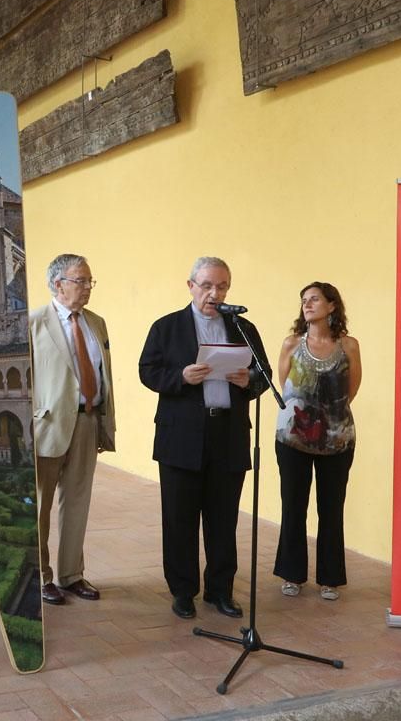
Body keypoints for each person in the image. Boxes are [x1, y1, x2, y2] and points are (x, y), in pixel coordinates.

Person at [138, 257, 270, 620]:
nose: (215, 293)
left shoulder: (242, 328)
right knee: (179, 519)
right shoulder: (167, 328)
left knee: (223, 519)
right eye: (208, 285)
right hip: (180, 437)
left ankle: (220, 591)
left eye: (223, 286)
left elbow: (264, 374)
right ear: (191, 285)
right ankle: (183, 591)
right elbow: (147, 371)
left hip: (227, 435)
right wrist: (181, 376)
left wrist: (249, 383)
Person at [29, 254, 116, 605]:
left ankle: (71, 575)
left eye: (90, 281)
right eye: (80, 281)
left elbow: (103, 373)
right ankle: (39, 576)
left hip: (87, 420)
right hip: (47, 426)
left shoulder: (97, 323)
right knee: (39, 505)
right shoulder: (33, 322)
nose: (87, 288)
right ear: (57, 283)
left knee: (77, 502)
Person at [274, 282, 361, 601]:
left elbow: (350, 390)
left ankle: (330, 578)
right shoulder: (291, 344)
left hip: (337, 439)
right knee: (293, 506)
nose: (307, 305)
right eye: (304, 301)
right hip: (292, 438)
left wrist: (328, 417)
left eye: (314, 299)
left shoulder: (349, 345)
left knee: (331, 507)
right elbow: (286, 387)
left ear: (332, 306)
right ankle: (292, 574)